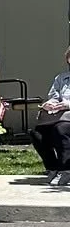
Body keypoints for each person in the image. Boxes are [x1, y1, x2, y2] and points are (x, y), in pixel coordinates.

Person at [30, 47, 70, 186]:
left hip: (66, 118)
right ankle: (53, 168)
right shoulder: (61, 78)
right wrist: (50, 104)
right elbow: (54, 96)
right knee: (37, 133)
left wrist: (67, 105)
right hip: (60, 116)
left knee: (60, 129)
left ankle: (66, 170)